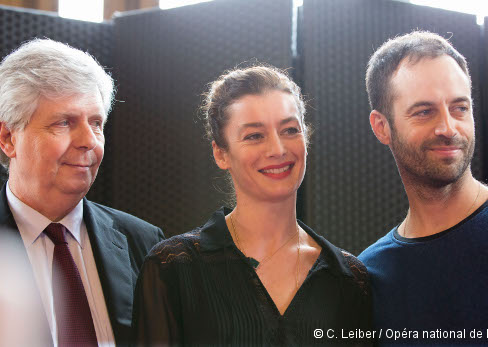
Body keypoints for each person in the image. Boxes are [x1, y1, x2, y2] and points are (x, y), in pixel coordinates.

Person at [132, 66, 372, 346]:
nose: (278, 149)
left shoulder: (349, 277)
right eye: (255, 136)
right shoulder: (172, 267)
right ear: (221, 154)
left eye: (290, 130)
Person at [359, 31, 488, 345]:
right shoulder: (370, 276)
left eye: (460, 108)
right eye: (424, 111)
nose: (448, 128)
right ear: (382, 127)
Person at [0, 38, 164, 347]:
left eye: (97, 123)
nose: (89, 141)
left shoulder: (143, 242)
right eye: (64, 123)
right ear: (8, 138)